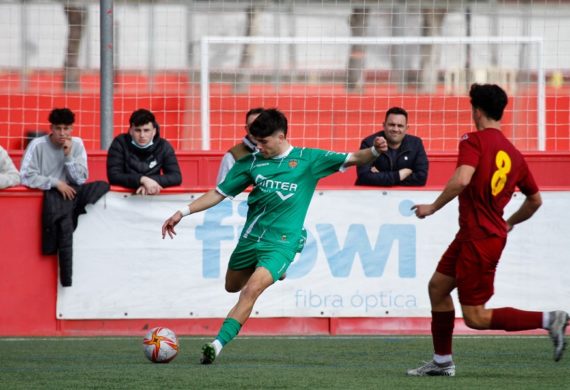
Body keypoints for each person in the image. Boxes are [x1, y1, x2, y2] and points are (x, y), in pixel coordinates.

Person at [161, 108, 388, 364]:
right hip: (251, 238)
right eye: (256, 141)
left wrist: (376, 151)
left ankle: (217, 344)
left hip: (280, 243)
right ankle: (277, 268)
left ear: (281, 136)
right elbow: (218, 193)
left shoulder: (308, 159)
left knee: (249, 291)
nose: (259, 146)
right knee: (231, 286)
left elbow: (355, 157)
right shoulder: (252, 162)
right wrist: (183, 212)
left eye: (264, 142)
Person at [407, 84, 569, 377]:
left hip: (480, 239)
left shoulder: (473, 140)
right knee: (438, 288)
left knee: (476, 317)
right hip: (476, 235)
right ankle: (442, 362)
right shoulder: (515, 155)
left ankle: (550, 318)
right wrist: (508, 223)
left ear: (476, 111)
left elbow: (462, 179)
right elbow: (535, 201)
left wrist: (432, 207)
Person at [20, 108, 109, 287]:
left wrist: (68, 156)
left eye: (66, 128)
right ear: (51, 128)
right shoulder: (37, 145)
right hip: (52, 194)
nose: (62, 133)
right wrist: (55, 183)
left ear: (72, 128)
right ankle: (66, 279)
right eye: (58, 128)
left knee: (103, 186)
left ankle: (76, 211)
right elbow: (25, 176)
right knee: (63, 226)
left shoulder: (77, 144)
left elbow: (81, 179)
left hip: (72, 194)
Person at [107, 108, 182, 195]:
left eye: (146, 130)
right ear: (131, 131)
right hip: (124, 199)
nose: (142, 135)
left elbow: (176, 177)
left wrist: (149, 183)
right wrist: (142, 180)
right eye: (138, 130)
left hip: (153, 198)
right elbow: (114, 176)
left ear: (154, 131)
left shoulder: (163, 146)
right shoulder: (119, 143)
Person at [355, 106, 428, 186]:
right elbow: (363, 177)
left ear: (406, 128)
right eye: (392, 125)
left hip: (404, 196)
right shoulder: (369, 143)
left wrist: (380, 177)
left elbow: (421, 178)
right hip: (372, 195)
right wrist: (399, 175)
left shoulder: (416, 144)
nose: (395, 129)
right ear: (384, 125)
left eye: (400, 126)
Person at [216, 107, 263, 184]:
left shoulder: (278, 152)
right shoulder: (232, 156)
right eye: (252, 126)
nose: (255, 130)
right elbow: (221, 189)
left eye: (259, 125)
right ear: (246, 129)